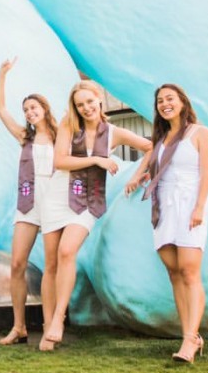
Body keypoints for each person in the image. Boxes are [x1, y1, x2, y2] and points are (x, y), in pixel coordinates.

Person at [41, 80, 152, 350]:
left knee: (68, 251)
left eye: (89, 102)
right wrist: (97, 160)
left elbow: (151, 148)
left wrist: (138, 176)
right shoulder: (70, 125)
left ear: (98, 100)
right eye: (80, 105)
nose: (86, 108)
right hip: (57, 197)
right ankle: (47, 326)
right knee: (52, 263)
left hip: (88, 201)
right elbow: (59, 161)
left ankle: (59, 318)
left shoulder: (114, 132)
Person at [125, 84, 208, 363]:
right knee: (174, 273)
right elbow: (150, 158)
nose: (165, 104)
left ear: (182, 102)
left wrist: (199, 207)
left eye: (170, 99)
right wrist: (138, 176)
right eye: (160, 101)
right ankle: (188, 334)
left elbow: (207, 174)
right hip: (164, 207)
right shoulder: (162, 138)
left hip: (189, 205)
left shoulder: (201, 134)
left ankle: (190, 340)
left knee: (189, 271)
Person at [0, 57, 59, 347]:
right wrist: (2, 74)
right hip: (29, 205)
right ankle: (19, 327)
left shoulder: (62, 136)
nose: (30, 112)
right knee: (17, 264)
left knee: (52, 267)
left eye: (34, 107)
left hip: (56, 205)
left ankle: (50, 326)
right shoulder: (24, 137)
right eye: (26, 110)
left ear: (45, 109)